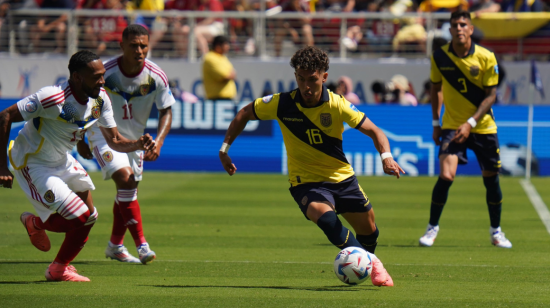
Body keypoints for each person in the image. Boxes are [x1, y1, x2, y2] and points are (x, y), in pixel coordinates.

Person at [219, 46, 405, 287]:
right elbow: (244, 113)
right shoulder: (281, 103)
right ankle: (375, 264)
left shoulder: (338, 105)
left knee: (370, 232)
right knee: (328, 221)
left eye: (312, 80)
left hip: (343, 179)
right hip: (305, 183)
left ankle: (365, 262)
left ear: (324, 77)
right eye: (301, 79)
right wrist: (224, 150)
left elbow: (375, 131)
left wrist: (386, 157)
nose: (306, 86)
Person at [0, 50, 155, 281]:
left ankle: (59, 269)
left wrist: (137, 144)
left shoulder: (100, 98)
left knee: (90, 216)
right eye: (96, 76)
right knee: (79, 216)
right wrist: (2, 167)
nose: (102, 80)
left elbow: (114, 140)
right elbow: (5, 116)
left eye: (103, 75)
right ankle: (34, 222)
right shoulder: (53, 98)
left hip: (61, 160)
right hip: (33, 163)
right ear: (77, 77)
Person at [77, 24, 175, 264]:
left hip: (135, 141)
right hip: (103, 134)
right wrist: (81, 137)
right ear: (122, 46)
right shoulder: (106, 73)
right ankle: (142, 245)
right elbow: (83, 102)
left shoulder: (156, 76)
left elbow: (166, 111)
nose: (139, 50)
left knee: (128, 191)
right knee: (125, 179)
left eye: (143, 45)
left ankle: (115, 246)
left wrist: (159, 142)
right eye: (134, 45)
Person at [419, 11, 512, 249]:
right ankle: (431, 229)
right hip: (451, 126)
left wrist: (470, 122)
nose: (459, 28)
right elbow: (436, 90)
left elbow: (491, 96)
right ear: (449, 31)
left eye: (463, 24)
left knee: (491, 180)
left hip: (482, 126)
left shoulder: (486, 57)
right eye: (454, 25)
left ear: (470, 29)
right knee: (446, 175)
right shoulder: (439, 57)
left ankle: (496, 232)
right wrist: (435, 123)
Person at [202, 35, 237, 100]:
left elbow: (233, 74)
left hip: (226, 99)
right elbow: (225, 76)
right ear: (218, 46)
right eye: (226, 44)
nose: (228, 47)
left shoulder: (223, 57)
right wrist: (230, 75)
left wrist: (231, 75)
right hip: (217, 99)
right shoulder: (210, 58)